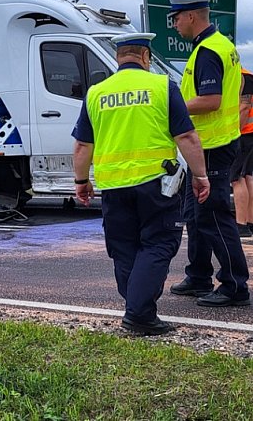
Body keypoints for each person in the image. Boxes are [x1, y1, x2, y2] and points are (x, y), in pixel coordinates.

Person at [72, 32, 210, 335]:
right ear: (145, 57)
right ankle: (138, 314)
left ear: (119, 57)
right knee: (159, 243)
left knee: (124, 248)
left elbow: (82, 145)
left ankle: (138, 308)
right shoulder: (162, 86)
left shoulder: (96, 93)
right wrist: (200, 175)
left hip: (113, 186)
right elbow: (187, 137)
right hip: (156, 184)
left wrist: (81, 180)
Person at [166, 0, 251, 307]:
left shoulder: (207, 51)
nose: (174, 24)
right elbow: (235, 89)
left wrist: (173, 106)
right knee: (194, 214)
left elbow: (211, 100)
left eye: (176, 18)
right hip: (210, 144)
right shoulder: (222, 45)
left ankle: (234, 286)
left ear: (191, 16)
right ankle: (198, 275)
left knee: (213, 216)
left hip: (212, 146)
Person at [231, 69, 253, 237]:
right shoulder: (247, 76)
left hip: (243, 133)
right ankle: (249, 221)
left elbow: (244, 107)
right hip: (249, 133)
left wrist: (234, 134)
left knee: (236, 178)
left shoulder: (242, 77)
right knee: (247, 177)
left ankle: (241, 224)